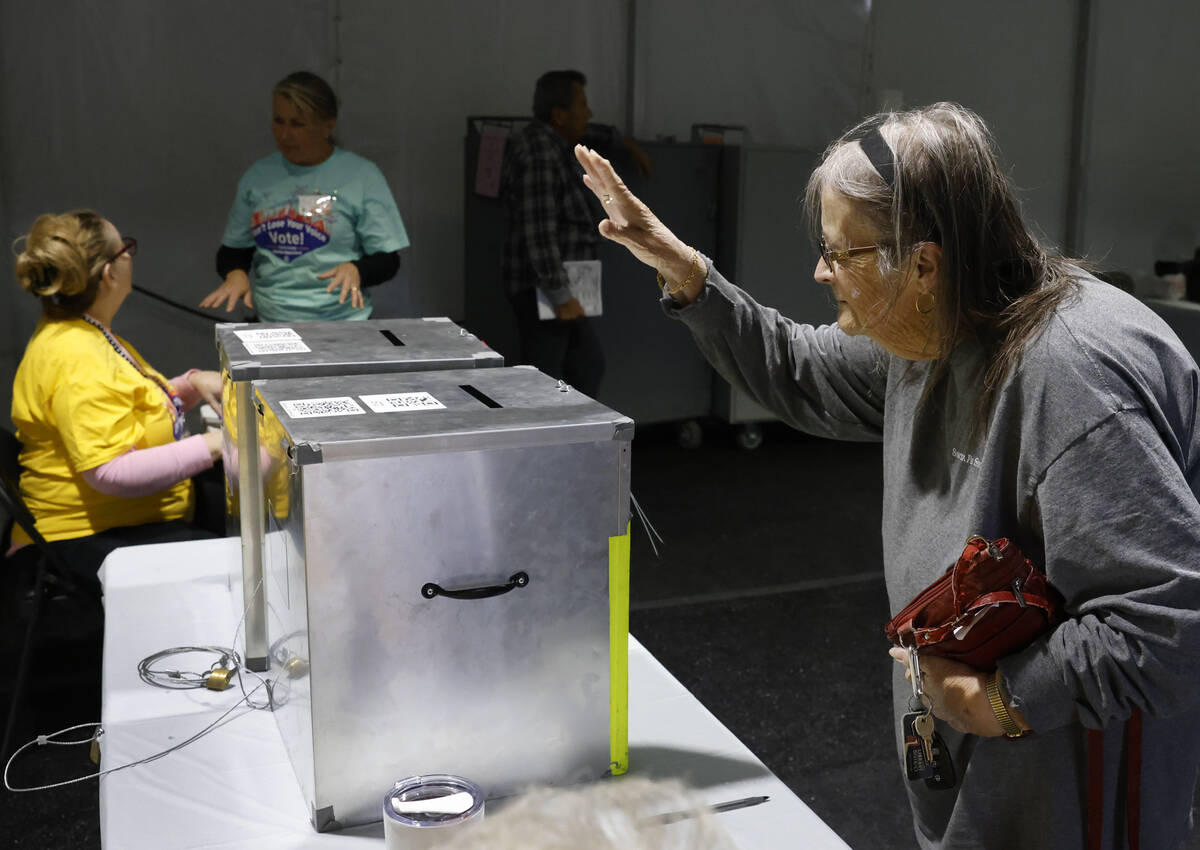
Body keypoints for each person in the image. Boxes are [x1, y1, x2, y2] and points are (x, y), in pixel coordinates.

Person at [575, 103, 1200, 849]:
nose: (821, 271)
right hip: (972, 759)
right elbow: (798, 368)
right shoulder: (935, 326)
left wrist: (1004, 700)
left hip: (1068, 797)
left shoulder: (1074, 378)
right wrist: (687, 274)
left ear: (925, 264)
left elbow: (1170, 622)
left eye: (841, 253)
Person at [11, 210, 225, 585]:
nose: (130, 256)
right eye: (126, 247)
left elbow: (124, 405)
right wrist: (216, 443)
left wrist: (189, 385)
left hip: (118, 518)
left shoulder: (86, 332)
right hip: (80, 536)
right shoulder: (76, 357)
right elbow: (110, 471)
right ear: (110, 272)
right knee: (233, 567)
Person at [200, 71, 409, 322]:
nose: (285, 134)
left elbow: (387, 260)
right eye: (279, 121)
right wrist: (235, 274)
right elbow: (233, 250)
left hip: (342, 324)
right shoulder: (258, 176)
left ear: (328, 125)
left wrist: (357, 270)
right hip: (272, 322)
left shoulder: (361, 176)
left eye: (298, 124)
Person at [500, 69, 651, 398]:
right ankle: (547, 446)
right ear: (559, 115)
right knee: (556, 375)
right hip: (546, 291)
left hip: (560, 288)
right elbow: (538, 229)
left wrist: (621, 142)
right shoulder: (540, 152)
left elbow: (587, 132)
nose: (589, 112)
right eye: (582, 104)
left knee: (581, 366)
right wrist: (560, 296)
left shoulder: (553, 140)